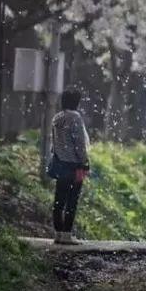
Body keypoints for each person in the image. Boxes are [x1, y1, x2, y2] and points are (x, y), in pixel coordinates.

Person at [48, 90, 90, 245]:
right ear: (75, 102)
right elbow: (79, 143)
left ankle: (58, 234)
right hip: (75, 166)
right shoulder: (75, 117)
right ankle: (67, 234)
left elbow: (53, 143)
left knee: (59, 200)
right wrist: (84, 161)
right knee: (72, 200)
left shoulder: (57, 117)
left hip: (60, 164)